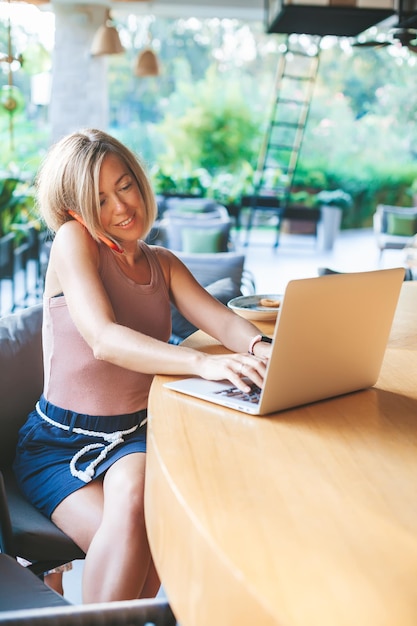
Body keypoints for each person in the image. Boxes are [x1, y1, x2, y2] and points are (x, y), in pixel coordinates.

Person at [13, 128, 272, 604]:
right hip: (57, 442)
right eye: (101, 199)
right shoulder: (74, 242)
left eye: (125, 185)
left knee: (143, 514)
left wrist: (262, 349)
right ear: (75, 211)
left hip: (130, 436)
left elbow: (223, 322)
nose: (121, 207)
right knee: (149, 548)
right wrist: (202, 365)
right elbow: (104, 340)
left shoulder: (163, 262)